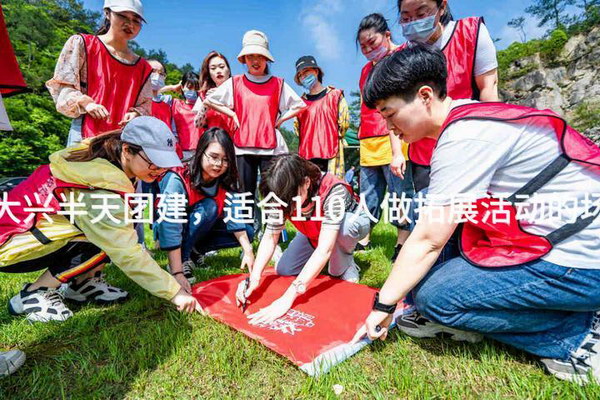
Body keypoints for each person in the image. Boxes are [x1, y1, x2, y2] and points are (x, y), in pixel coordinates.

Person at [353, 44, 600, 384]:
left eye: (390, 113)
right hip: (556, 237)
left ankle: (577, 335)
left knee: (436, 299)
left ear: (425, 96)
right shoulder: (469, 116)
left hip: (583, 262)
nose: (388, 127)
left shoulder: (463, 138)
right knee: (425, 218)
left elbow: (426, 241)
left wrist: (383, 306)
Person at [0, 117, 202, 322]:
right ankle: (34, 294)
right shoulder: (98, 188)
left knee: (112, 231)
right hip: (12, 246)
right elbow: (128, 253)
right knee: (113, 238)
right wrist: (174, 292)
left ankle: (84, 284)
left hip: (25, 232)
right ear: (127, 151)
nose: (159, 169)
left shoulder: (103, 159)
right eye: (153, 161)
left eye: (164, 163)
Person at [235, 154, 371, 325]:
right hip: (313, 231)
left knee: (342, 241)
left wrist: (289, 296)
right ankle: (323, 254)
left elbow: (324, 249)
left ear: (306, 182)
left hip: (346, 226)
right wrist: (254, 277)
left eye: (290, 200)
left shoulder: (333, 190)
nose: (286, 207)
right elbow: (271, 236)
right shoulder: (281, 195)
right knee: (284, 269)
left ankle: (347, 262)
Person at [397, 0, 499, 192]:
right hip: (425, 157)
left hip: (470, 148)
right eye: (406, 18)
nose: (414, 22)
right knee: (430, 212)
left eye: (421, 14)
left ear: (442, 7)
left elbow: (489, 90)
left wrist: (490, 144)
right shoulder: (403, 56)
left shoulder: (470, 33)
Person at [204, 30, 305, 202]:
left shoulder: (278, 83)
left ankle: (274, 228)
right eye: (250, 56)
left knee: (273, 193)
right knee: (245, 195)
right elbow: (210, 99)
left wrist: (279, 120)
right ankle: (247, 229)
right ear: (244, 59)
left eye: (260, 56)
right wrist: (232, 114)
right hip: (242, 147)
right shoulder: (236, 82)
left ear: (267, 59)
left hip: (270, 146)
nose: (255, 61)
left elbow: (299, 105)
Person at [154, 128, 255, 290]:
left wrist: (248, 252)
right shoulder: (178, 177)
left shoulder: (226, 180)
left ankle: (195, 251)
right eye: (214, 157)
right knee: (209, 207)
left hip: (202, 227)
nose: (218, 164)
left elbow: (235, 217)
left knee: (248, 233)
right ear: (201, 152)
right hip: (176, 228)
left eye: (225, 160)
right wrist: (177, 271)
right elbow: (170, 223)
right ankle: (182, 259)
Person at [46, 0, 152, 145]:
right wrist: (87, 104)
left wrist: (136, 114)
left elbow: (145, 105)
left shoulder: (143, 67)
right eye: (123, 16)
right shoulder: (83, 44)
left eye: (136, 20)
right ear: (107, 13)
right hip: (84, 136)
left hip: (122, 142)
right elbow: (63, 86)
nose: (130, 24)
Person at [356, 14, 415, 260]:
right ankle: (363, 239)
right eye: (364, 47)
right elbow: (364, 105)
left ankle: (402, 243)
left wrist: (398, 150)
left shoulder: (405, 56)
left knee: (400, 193)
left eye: (373, 42)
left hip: (397, 136)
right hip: (368, 139)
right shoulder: (365, 71)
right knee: (368, 193)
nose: (369, 49)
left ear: (387, 35)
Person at [293, 55, 349, 179]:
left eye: (306, 71)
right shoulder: (299, 104)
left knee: (332, 191)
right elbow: (297, 130)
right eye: (301, 75)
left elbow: (344, 124)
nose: (304, 76)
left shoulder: (335, 96)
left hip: (331, 155)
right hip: (307, 157)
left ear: (316, 71)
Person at [192, 51, 236, 136]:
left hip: (236, 143)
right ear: (209, 73)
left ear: (229, 70)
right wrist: (207, 104)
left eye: (222, 67)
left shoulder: (239, 91)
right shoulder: (203, 95)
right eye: (213, 68)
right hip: (214, 142)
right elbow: (198, 125)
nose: (218, 71)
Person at [171, 71, 201, 161]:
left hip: (200, 152)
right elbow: (154, 95)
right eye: (189, 87)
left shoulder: (204, 106)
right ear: (182, 87)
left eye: (196, 88)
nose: (193, 91)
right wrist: (172, 87)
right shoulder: (175, 104)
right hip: (181, 153)